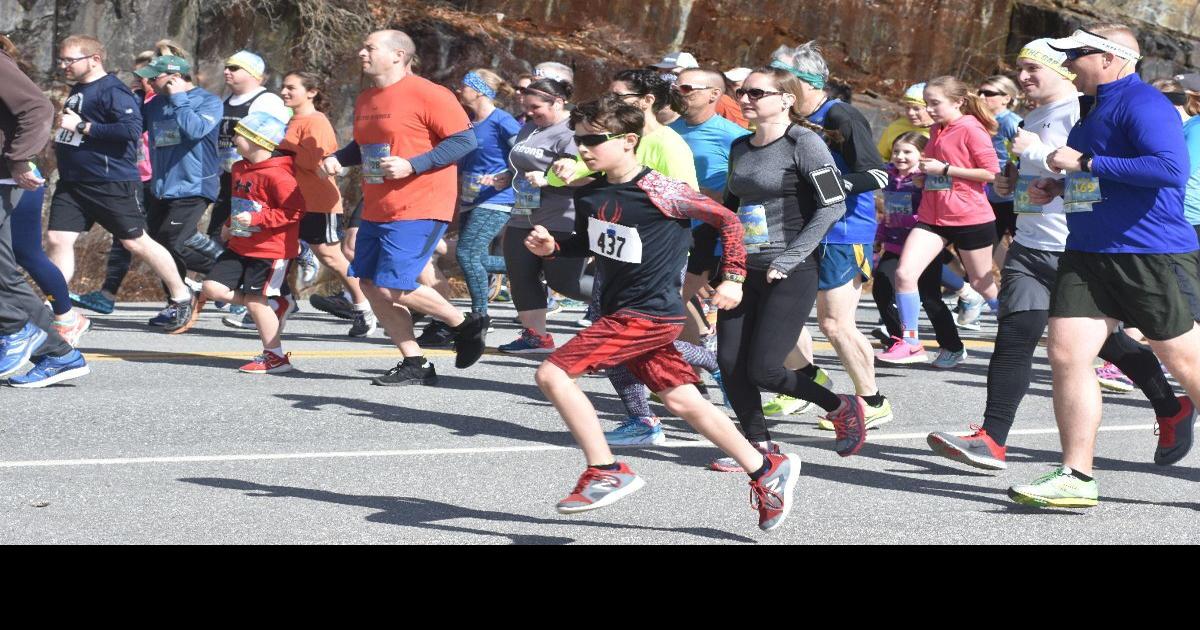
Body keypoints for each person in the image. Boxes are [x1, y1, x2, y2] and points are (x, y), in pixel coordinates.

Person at [525, 96, 801, 531]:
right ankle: (765, 468)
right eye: (579, 140)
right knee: (680, 400)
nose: (583, 148)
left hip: (647, 313)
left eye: (594, 139)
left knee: (552, 375)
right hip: (620, 310)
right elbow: (592, 242)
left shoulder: (664, 191)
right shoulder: (592, 191)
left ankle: (605, 470)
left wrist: (733, 277)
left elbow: (728, 221)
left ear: (629, 140)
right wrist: (555, 247)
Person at [927, 39, 1179, 472]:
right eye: (1020, 68)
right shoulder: (1032, 116)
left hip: (1072, 248)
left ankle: (1170, 406)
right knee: (1015, 337)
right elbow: (1036, 176)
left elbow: (1100, 180)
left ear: (1062, 70)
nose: (1023, 77)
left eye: (1032, 68)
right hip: (1028, 246)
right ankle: (992, 438)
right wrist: (1010, 184)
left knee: (1108, 343)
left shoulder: (1083, 114)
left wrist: (1042, 160)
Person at [1006, 25, 1198, 508]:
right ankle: (1076, 476)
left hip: (1147, 253)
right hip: (1087, 252)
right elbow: (1095, 173)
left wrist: (1086, 163)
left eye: (1077, 55)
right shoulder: (1092, 110)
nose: (1068, 64)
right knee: (1067, 355)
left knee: (1187, 364)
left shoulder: (1144, 103)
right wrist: (1061, 186)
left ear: (1111, 59)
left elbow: (1170, 169)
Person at [691, 66, 868, 472]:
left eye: (756, 92)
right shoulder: (741, 146)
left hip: (791, 268)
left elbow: (833, 205)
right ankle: (759, 449)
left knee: (767, 369)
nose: (745, 99)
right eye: (741, 92)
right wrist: (722, 265)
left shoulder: (804, 143)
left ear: (786, 98)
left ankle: (841, 406)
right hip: (743, 270)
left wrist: (790, 259)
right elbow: (733, 211)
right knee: (731, 365)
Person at [321, 30, 488, 385]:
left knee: (391, 285)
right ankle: (415, 363)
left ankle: (465, 323)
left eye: (370, 47)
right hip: (378, 205)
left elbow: (465, 139)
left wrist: (414, 164)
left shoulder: (429, 93)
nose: (361, 52)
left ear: (398, 55)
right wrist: (339, 158)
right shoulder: (367, 97)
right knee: (369, 283)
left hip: (421, 202)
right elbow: (366, 145)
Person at [769, 42, 894, 428]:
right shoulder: (783, 118)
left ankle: (872, 401)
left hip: (842, 230)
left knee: (835, 323)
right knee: (775, 314)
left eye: (780, 78)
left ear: (804, 82)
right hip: (794, 229)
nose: (772, 85)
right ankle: (807, 386)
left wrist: (827, 184)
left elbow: (877, 175)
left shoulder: (841, 116)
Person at [44, 37, 201, 334]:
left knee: (135, 241)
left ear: (94, 59)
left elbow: (128, 131)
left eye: (69, 60)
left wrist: (81, 126)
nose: (63, 66)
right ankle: (59, 307)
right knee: (56, 239)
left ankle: (181, 295)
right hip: (73, 182)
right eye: (61, 60)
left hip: (110, 181)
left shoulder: (113, 90)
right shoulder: (80, 88)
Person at [879, 75, 1001, 363]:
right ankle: (910, 342)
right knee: (905, 274)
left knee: (982, 284)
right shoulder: (936, 129)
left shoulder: (972, 129)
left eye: (935, 103)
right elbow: (931, 169)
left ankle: (1015, 326)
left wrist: (946, 169)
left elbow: (991, 173)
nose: (930, 109)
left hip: (969, 216)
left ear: (958, 102)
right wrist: (923, 177)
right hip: (933, 217)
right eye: (927, 104)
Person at [0, 34, 89, 387]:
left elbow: (38, 107)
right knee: (6, 274)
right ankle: (59, 354)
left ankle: (16, 328)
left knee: (12, 266)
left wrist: (20, 158)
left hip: (4, 177)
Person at [263, 71, 376, 337]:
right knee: (276, 251)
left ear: (311, 92)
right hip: (290, 202)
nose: (284, 92)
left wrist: (284, 146)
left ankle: (363, 308)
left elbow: (321, 165)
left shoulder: (317, 122)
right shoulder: (291, 121)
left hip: (318, 202)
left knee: (331, 257)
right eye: (283, 87)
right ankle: (282, 302)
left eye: (292, 87)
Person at [492, 76, 592, 354]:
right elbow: (523, 163)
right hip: (523, 212)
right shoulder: (531, 128)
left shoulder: (572, 131)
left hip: (561, 216)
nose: (530, 113)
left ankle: (619, 302)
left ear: (558, 102)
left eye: (536, 107)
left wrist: (548, 179)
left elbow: (587, 176)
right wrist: (507, 175)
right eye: (526, 108)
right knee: (521, 276)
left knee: (565, 282)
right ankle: (536, 336)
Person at [202, 111, 303, 373]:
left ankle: (275, 357)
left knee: (255, 301)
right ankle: (276, 304)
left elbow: (294, 211)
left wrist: (258, 218)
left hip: (270, 250)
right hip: (240, 244)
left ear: (257, 141)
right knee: (212, 288)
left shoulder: (279, 175)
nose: (234, 139)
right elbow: (241, 205)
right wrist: (228, 226)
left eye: (240, 135)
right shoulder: (239, 168)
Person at [135, 53, 222, 332]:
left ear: (173, 77)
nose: (147, 81)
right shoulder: (155, 104)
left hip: (195, 185)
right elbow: (134, 128)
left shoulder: (208, 101)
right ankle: (177, 299)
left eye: (153, 76)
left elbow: (195, 129)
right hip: (162, 187)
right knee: (160, 246)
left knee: (173, 239)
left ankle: (227, 270)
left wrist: (178, 99)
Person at [871, 132, 966, 367]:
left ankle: (953, 346)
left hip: (922, 246)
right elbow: (889, 214)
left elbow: (935, 210)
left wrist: (911, 219)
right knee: (882, 288)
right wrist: (879, 237)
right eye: (896, 151)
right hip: (894, 245)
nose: (900, 156)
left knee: (929, 297)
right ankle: (898, 341)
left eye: (907, 152)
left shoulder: (925, 180)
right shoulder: (891, 177)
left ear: (922, 156)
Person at [454, 69, 520, 318]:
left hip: (497, 200)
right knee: (472, 257)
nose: (460, 90)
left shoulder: (502, 120)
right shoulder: (468, 123)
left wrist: (510, 175)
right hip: (471, 198)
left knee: (466, 254)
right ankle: (528, 267)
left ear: (479, 90)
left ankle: (479, 314)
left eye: (464, 85)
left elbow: (525, 155)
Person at [208, 50, 291, 240]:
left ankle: (299, 251)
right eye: (226, 67)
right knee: (218, 234)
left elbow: (275, 141)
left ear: (253, 74)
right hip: (229, 177)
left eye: (234, 68)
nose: (227, 71)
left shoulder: (267, 101)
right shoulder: (226, 100)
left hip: (254, 181)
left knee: (244, 235)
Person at [978, 74, 1024, 272]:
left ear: (1007, 97)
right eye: (979, 92)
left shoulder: (1013, 122)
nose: (980, 96)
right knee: (986, 243)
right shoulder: (979, 121)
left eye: (988, 93)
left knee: (1020, 242)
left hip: (1012, 195)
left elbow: (1024, 158)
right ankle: (1009, 277)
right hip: (987, 192)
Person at [653, 52, 749, 128]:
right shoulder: (654, 96)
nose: (665, 77)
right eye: (661, 72)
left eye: (673, 73)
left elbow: (741, 133)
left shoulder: (718, 99)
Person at [876, 82, 934, 161]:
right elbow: (880, 157)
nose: (910, 113)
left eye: (916, 109)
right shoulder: (896, 127)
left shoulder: (941, 131)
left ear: (930, 108)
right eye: (907, 108)